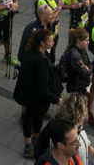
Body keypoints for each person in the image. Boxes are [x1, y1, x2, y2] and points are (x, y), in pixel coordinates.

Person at [13, 29, 62, 157]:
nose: (53, 43)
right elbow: (43, 89)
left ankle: (30, 143)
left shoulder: (30, 52)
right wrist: (56, 99)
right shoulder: (41, 63)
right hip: (38, 97)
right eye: (50, 41)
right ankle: (32, 143)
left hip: (28, 93)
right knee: (36, 117)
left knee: (29, 116)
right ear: (42, 43)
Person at [58, 29, 92, 95]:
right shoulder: (75, 55)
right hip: (76, 87)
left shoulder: (82, 50)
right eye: (86, 40)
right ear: (78, 41)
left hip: (80, 84)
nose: (88, 42)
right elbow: (86, 72)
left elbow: (89, 63)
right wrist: (88, 68)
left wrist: (88, 67)